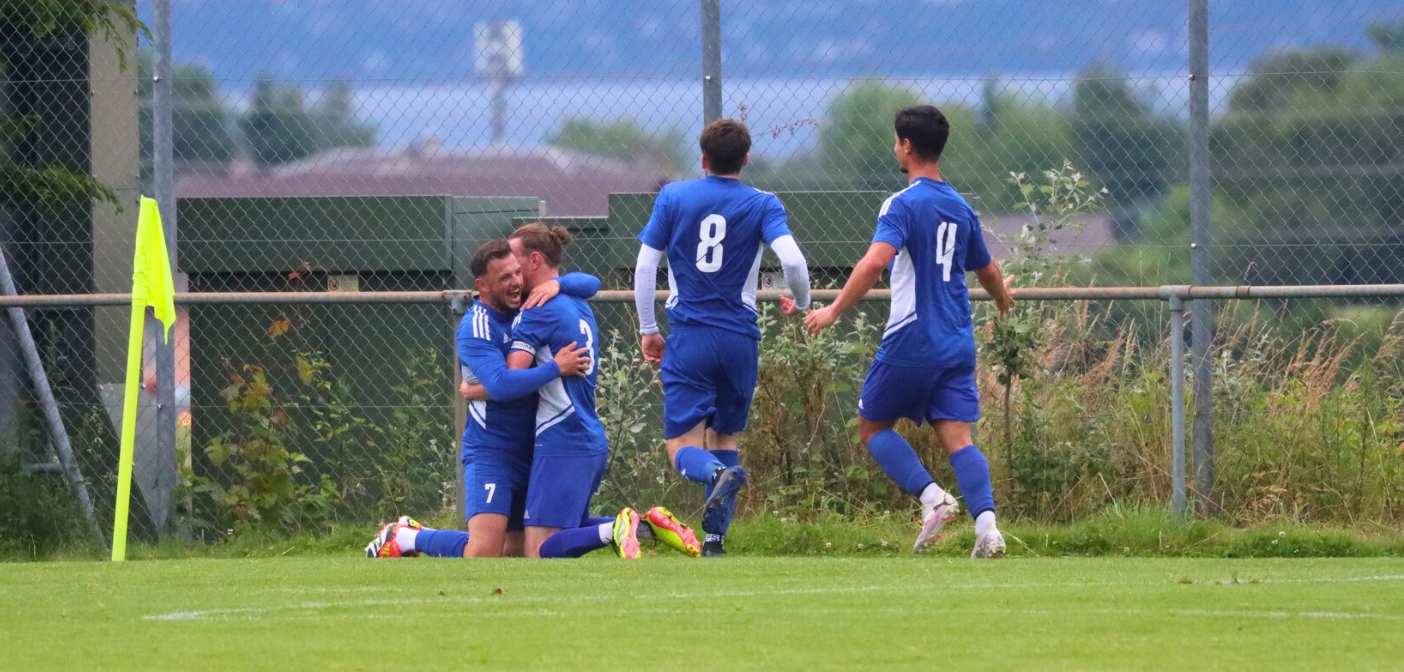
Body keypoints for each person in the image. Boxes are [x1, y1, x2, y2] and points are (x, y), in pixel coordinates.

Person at [804, 105, 1016, 559]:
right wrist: (1002, 299)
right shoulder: (960, 207)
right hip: (957, 339)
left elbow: (875, 262)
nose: (894, 148)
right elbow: (987, 269)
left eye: (895, 141)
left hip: (912, 336)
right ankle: (988, 530)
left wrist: (833, 310)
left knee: (871, 425)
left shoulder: (901, 204)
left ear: (907, 146)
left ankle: (933, 499)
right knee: (959, 437)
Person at [633, 118, 812, 557]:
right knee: (726, 440)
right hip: (739, 340)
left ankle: (713, 474)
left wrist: (649, 328)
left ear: (702, 159)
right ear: (746, 159)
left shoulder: (673, 196)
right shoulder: (763, 203)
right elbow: (793, 262)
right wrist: (803, 302)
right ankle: (715, 541)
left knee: (682, 446)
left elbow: (645, 266)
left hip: (691, 337)